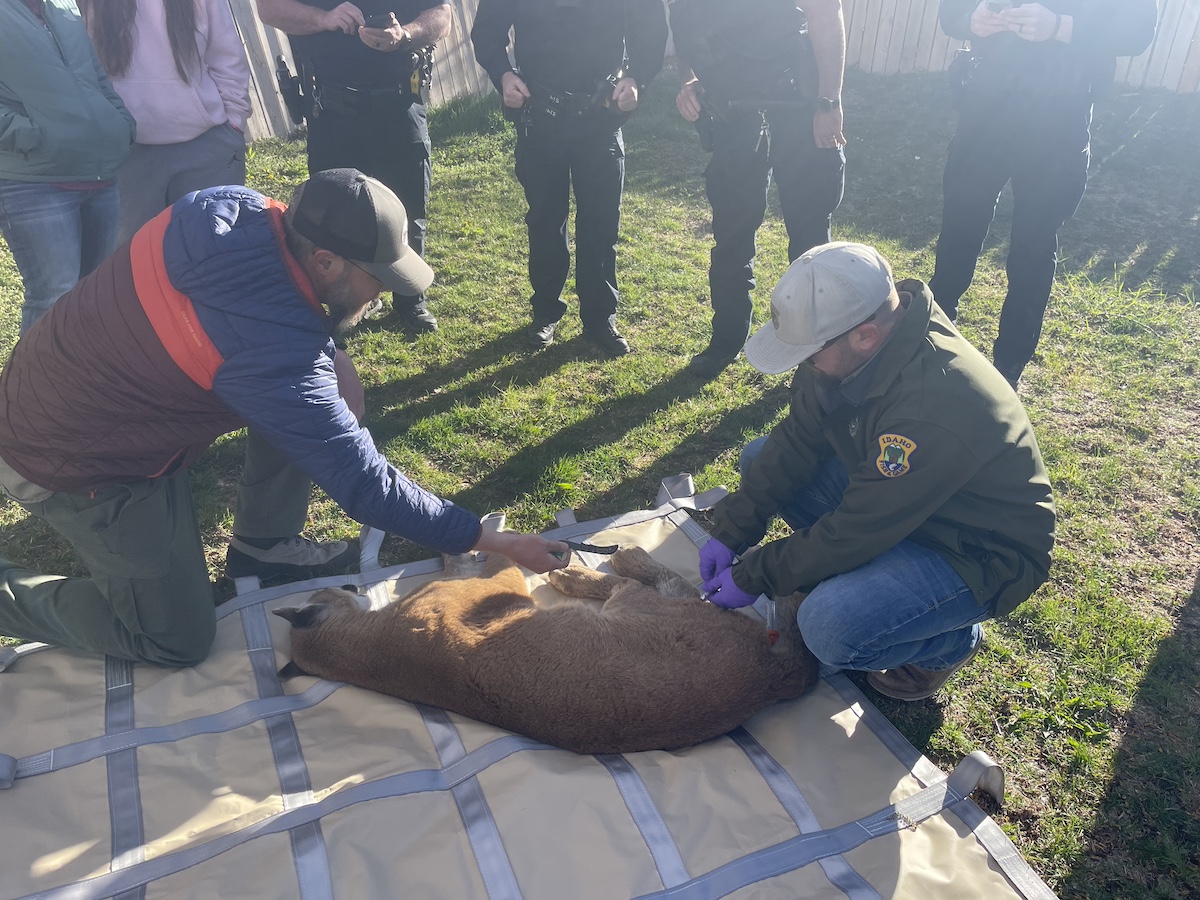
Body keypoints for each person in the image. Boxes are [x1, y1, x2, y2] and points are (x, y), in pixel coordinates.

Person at [0, 168, 571, 667]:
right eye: (377, 279)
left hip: (72, 395)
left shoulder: (230, 206)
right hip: (70, 461)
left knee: (315, 408)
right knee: (173, 638)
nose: (382, 294)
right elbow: (365, 485)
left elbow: (258, 309)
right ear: (325, 261)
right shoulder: (274, 359)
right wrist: (491, 539)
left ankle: (264, 546)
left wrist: (331, 351)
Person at [698, 242, 1055, 701]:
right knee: (760, 457)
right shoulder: (848, 346)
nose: (804, 366)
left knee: (828, 628)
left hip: (974, 550)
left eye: (808, 355)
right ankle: (874, 583)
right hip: (903, 505)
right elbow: (798, 438)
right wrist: (733, 529)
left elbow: (856, 529)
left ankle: (949, 644)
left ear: (865, 336)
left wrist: (755, 575)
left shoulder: (933, 405)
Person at [930, 0, 1157, 388]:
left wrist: (1061, 27)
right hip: (985, 109)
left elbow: (1138, 31)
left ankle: (1008, 372)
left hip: (1059, 118)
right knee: (958, 228)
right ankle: (933, 340)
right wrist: (971, 19)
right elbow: (952, 12)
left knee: (1033, 249)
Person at [471, 0, 668, 356]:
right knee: (545, 219)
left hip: (601, 117)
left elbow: (651, 28)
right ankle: (545, 312)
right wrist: (503, 74)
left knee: (601, 222)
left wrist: (636, 77)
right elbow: (486, 30)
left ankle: (600, 318)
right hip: (540, 115)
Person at [669, 0, 847, 378]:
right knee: (731, 234)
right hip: (733, 115)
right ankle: (726, 339)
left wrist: (829, 102)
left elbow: (825, 11)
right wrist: (689, 79)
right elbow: (685, 21)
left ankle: (817, 356)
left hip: (798, 108)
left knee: (810, 243)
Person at [256, 0, 451, 334]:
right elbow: (270, 8)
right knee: (328, 218)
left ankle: (410, 299)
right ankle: (340, 305)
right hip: (331, 110)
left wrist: (405, 35)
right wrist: (325, 18)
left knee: (409, 209)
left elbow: (442, 15)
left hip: (399, 105)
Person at [0, 0, 136, 334]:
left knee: (96, 294)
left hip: (99, 178)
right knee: (53, 297)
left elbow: (97, 77)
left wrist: (119, 122)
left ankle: (85, 369)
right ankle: (33, 372)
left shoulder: (63, 6)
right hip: (33, 182)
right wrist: (29, 135)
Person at [80, 0, 253, 245]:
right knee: (137, 257)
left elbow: (227, 55)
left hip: (208, 147)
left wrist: (234, 123)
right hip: (125, 154)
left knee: (216, 252)